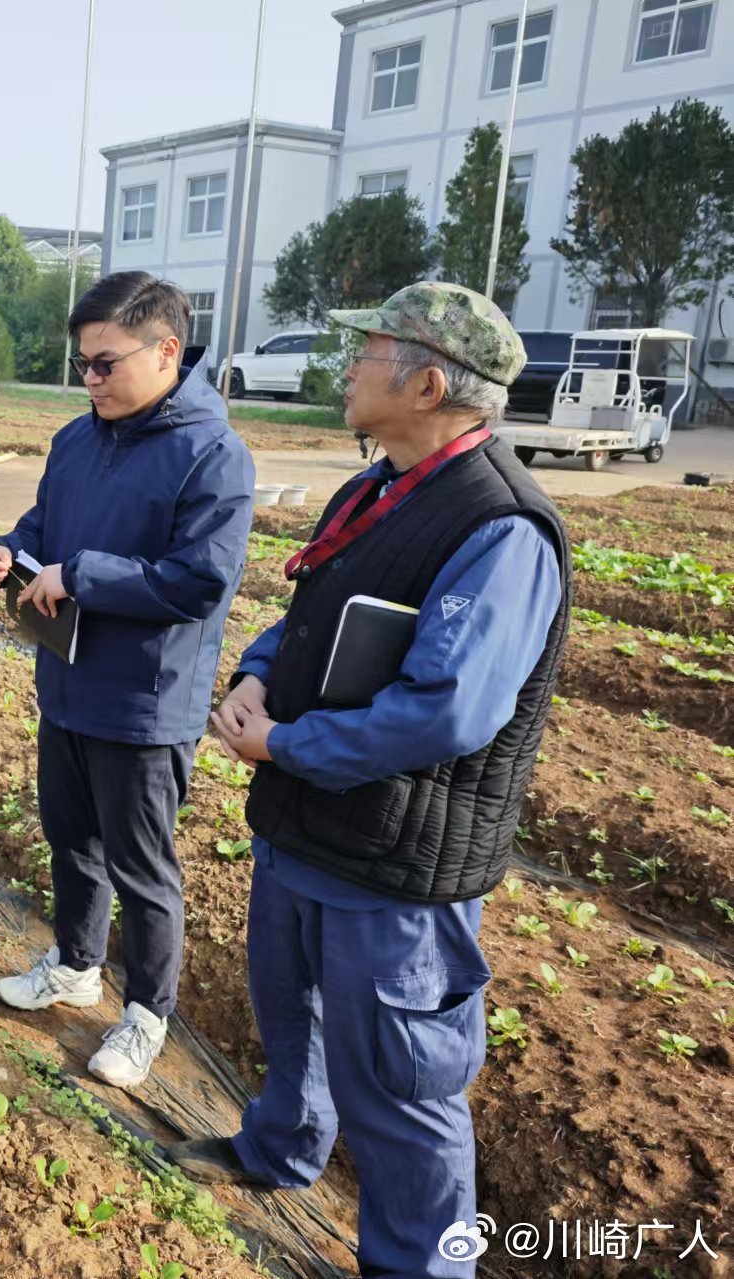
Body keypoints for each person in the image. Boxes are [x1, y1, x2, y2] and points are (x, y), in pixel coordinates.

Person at [165, 283, 570, 1279]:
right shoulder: (374, 487)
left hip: (393, 869)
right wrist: (259, 673)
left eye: (369, 350)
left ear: (427, 382)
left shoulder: (499, 529)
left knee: (400, 1084)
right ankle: (279, 1150)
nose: (346, 365)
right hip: (304, 835)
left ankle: (417, 1265)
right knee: (287, 1014)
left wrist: (283, 745)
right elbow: (304, 605)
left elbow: (445, 711)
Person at [0, 272, 255, 1088]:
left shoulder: (211, 453)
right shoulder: (77, 439)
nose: (90, 379)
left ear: (167, 351)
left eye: (105, 363)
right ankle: (74, 963)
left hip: (145, 699)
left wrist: (83, 573)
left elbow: (199, 580)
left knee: (143, 865)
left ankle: (147, 1011)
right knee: (70, 837)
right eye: (82, 365)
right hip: (66, 678)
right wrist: (7, 548)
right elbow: (42, 527)